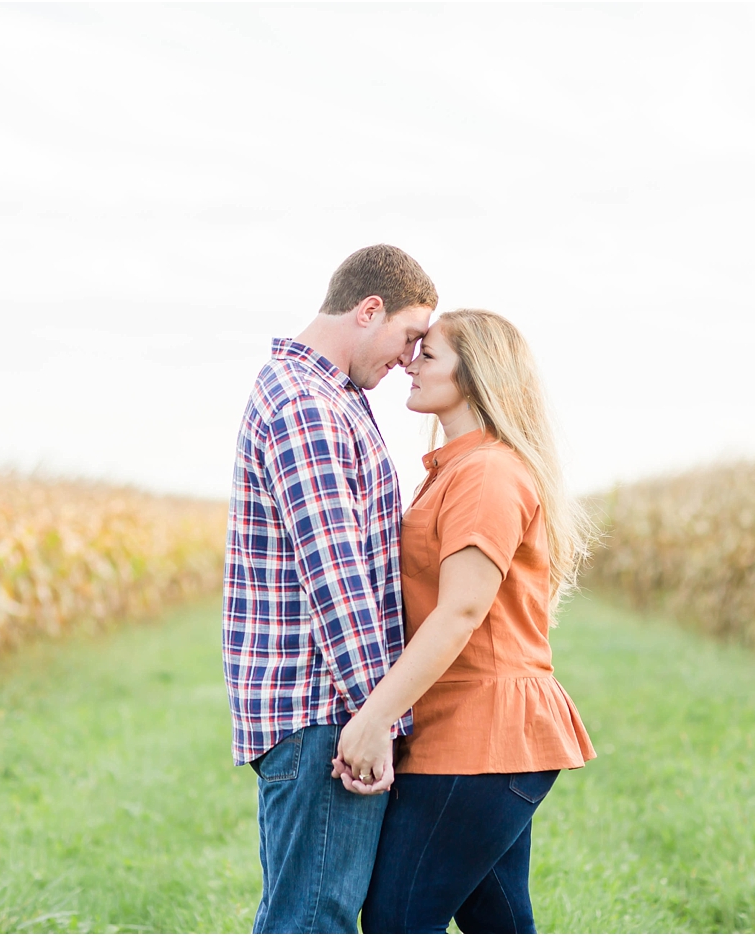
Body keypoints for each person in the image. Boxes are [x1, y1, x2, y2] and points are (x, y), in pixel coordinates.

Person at [332, 309, 597, 934]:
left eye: (429, 355)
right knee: (499, 921)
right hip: (472, 735)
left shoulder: (486, 474)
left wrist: (372, 720)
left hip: (484, 738)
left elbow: (460, 612)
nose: (409, 364)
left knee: (397, 921)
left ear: (475, 376)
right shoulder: (460, 468)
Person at [222, 245, 437, 934]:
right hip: (327, 713)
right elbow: (337, 580)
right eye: (409, 337)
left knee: (305, 916)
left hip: (326, 711)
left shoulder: (326, 394)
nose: (410, 358)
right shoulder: (307, 404)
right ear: (368, 309)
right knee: (314, 922)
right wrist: (378, 720)